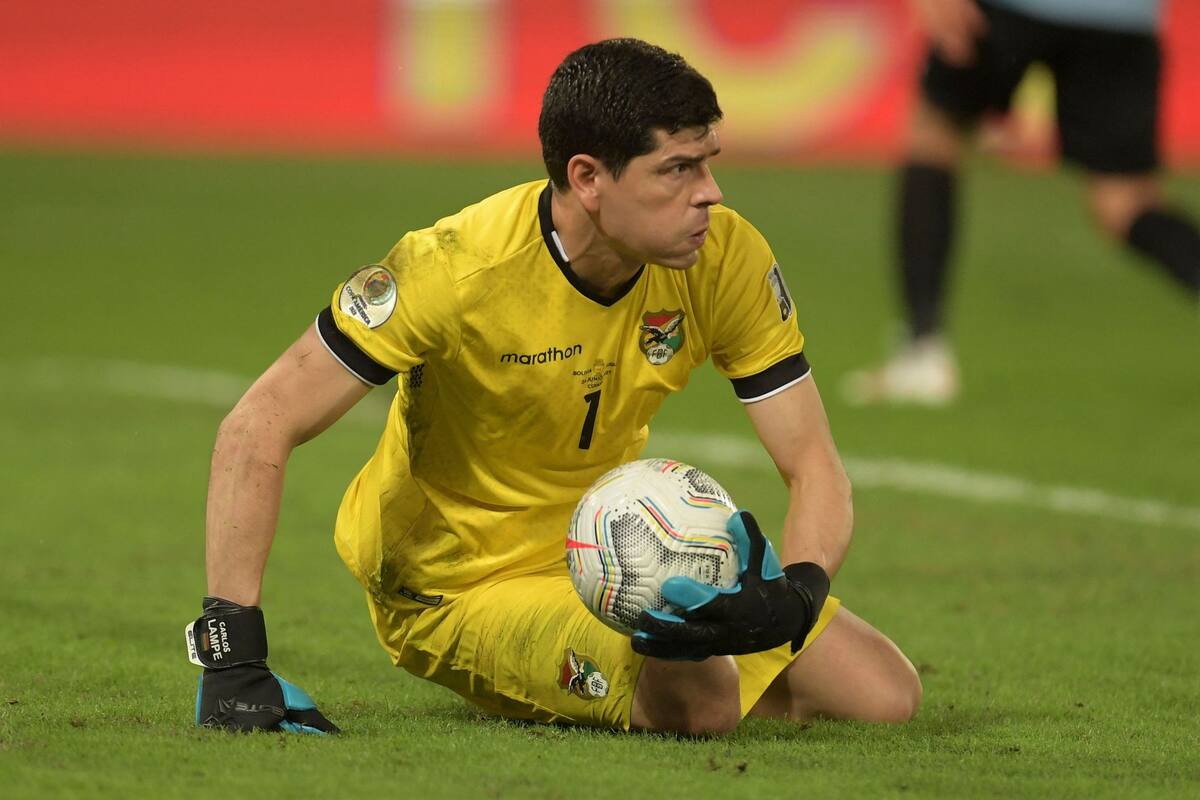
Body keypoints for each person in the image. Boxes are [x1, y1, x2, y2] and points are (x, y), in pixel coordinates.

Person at [184, 38, 922, 736]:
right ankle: (611, 672)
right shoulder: (455, 271)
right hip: (457, 584)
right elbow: (260, 422)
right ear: (588, 177)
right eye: (677, 169)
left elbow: (814, 462)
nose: (711, 194)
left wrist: (797, 592)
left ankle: (624, 674)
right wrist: (231, 655)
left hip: (610, 554)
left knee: (884, 694)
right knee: (703, 704)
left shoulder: (723, 258)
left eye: (709, 162)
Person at [843, 0, 1200, 406]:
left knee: (934, 137)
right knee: (1127, 201)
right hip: (1121, 18)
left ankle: (923, 351)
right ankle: (921, 353)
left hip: (1011, 10)